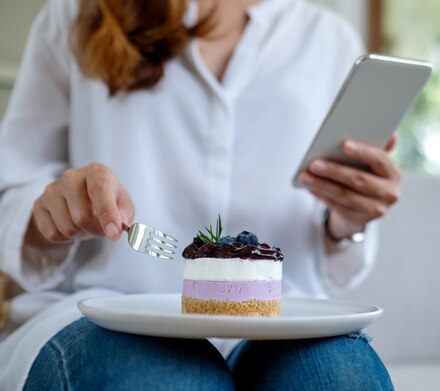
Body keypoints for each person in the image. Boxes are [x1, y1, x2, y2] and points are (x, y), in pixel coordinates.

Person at [0, 0, 401, 389]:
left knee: (340, 379)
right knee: (169, 381)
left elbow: (334, 259)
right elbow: (13, 189)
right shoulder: (74, 13)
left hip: (284, 316)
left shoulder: (328, 39)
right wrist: (54, 209)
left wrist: (350, 220)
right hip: (103, 311)